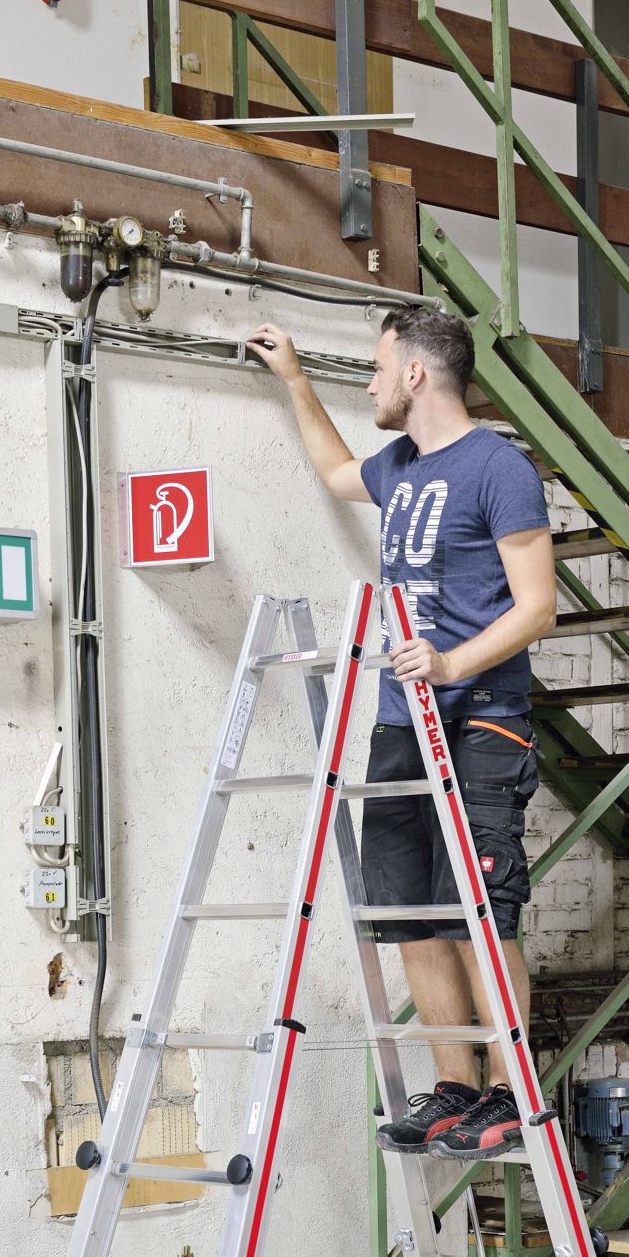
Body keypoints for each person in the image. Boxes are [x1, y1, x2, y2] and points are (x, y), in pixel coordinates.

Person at [246, 307, 555, 1160]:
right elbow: (339, 471)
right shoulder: (403, 466)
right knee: (408, 914)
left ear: (417, 374)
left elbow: (538, 606)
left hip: (480, 719)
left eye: (380, 370)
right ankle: (456, 1087)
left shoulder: (500, 468)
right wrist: (296, 382)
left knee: (481, 917)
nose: (373, 384)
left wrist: (454, 665)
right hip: (400, 721)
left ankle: (509, 1090)